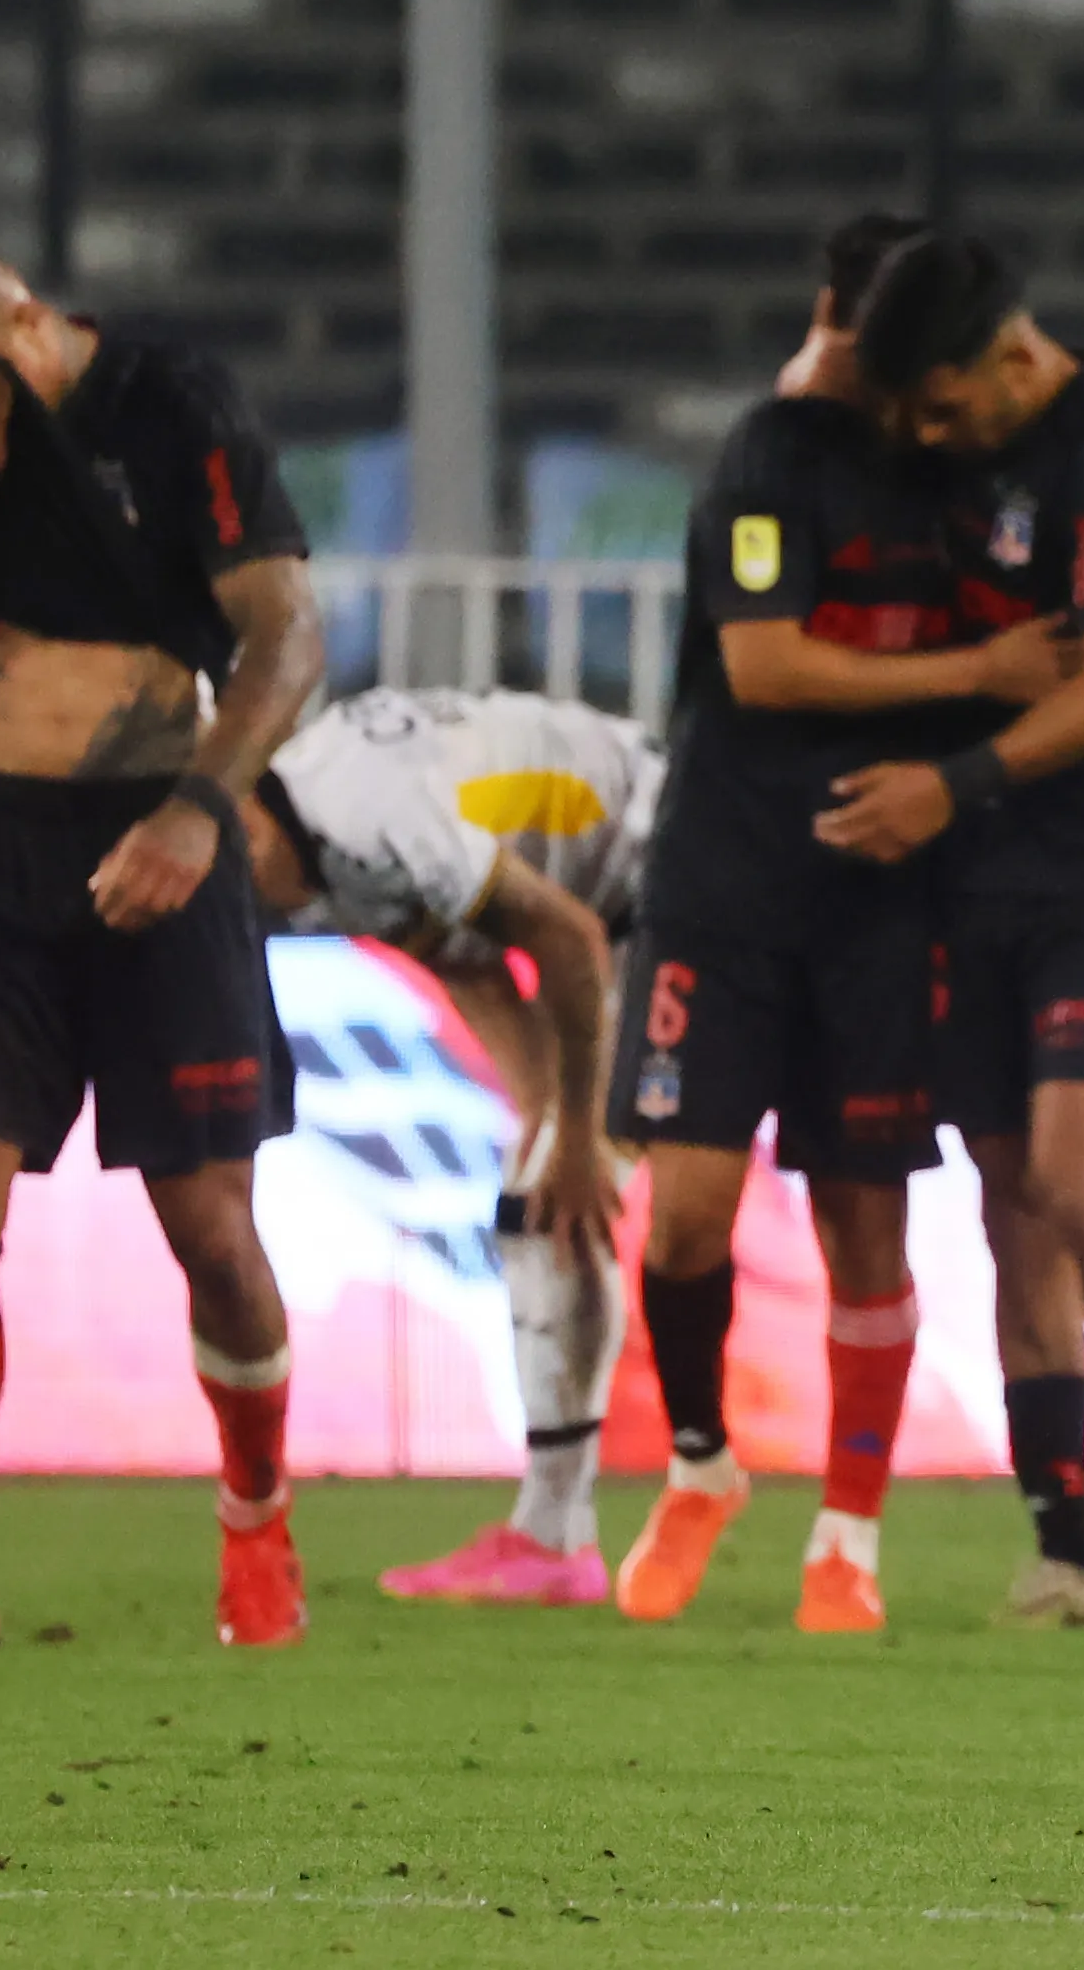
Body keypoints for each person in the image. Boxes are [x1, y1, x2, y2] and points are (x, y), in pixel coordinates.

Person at [0, 226, 326, 1648]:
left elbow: (285, 638)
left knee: (210, 1229)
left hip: (162, 841)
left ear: (27, 314)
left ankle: (255, 1510)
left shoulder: (176, 405)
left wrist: (193, 814)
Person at [604, 232, 1073, 1634]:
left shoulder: (963, 478)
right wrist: (973, 669)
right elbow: (762, 661)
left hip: (881, 900)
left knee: (865, 1220)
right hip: (724, 882)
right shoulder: (767, 455)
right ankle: (699, 1464)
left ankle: (847, 1535)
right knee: (685, 1210)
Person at [820, 233, 1084, 1631]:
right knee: (1013, 1206)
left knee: (1076, 1178)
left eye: (943, 405)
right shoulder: (962, 444)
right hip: (968, 869)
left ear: (1013, 356)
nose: (927, 437)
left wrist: (949, 782)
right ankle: (1062, 1543)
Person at [231, 685, 658, 1606]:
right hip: (625, 890)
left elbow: (573, 943)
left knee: (554, 1194)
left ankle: (560, 1535)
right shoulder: (307, 852)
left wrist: (577, 1134)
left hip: (675, 868)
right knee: (538, 1187)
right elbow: (465, 958)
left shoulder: (367, 812)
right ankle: (557, 1530)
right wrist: (543, 1116)